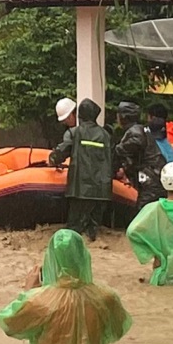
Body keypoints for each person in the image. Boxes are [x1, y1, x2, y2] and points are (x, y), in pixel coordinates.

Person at [0, 229, 131, 344]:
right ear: (84, 257)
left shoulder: (40, 302)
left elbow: (10, 324)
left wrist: (28, 292)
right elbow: (118, 329)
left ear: (50, 261)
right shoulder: (106, 298)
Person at [49, 99, 113, 242]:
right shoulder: (106, 136)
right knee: (93, 227)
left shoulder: (74, 133)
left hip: (80, 190)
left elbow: (61, 152)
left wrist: (52, 159)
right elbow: (112, 160)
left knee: (74, 227)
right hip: (101, 191)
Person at [114, 101, 167, 210]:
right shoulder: (139, 130)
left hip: (151, 180)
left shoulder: (135, 132)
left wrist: (117, 151)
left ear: (124, 117)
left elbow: (128, 149)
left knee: (142, 214)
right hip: (152, 179)